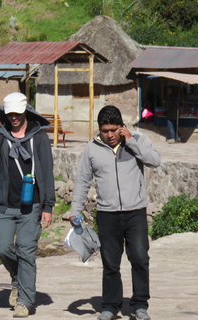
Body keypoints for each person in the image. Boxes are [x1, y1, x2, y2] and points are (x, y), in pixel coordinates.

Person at [70, 106, 161, 320]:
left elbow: (154, 161)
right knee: (110, 263)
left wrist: (132, 142)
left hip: (135, 212)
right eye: (104, 130)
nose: (109, 135)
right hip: (107, 214)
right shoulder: (91, 149)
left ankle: (140, 305)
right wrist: (75, 211)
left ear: (122, 127)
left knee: (139, 258)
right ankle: (110, 305)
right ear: (99, 129)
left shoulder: (138, 139)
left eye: (113, 130)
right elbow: (82, 180)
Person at [0, 92, 55, 318]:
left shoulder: (40, 138)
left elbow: (47, 172)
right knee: (3, 247)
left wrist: (48, 206)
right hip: (5, 206)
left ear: (26, 111)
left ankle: (25, 301)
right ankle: (17, 279)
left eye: (17, 113)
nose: (13, 117)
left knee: (26, 251)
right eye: (9, 114)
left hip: (32, 206)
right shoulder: (0, 138)